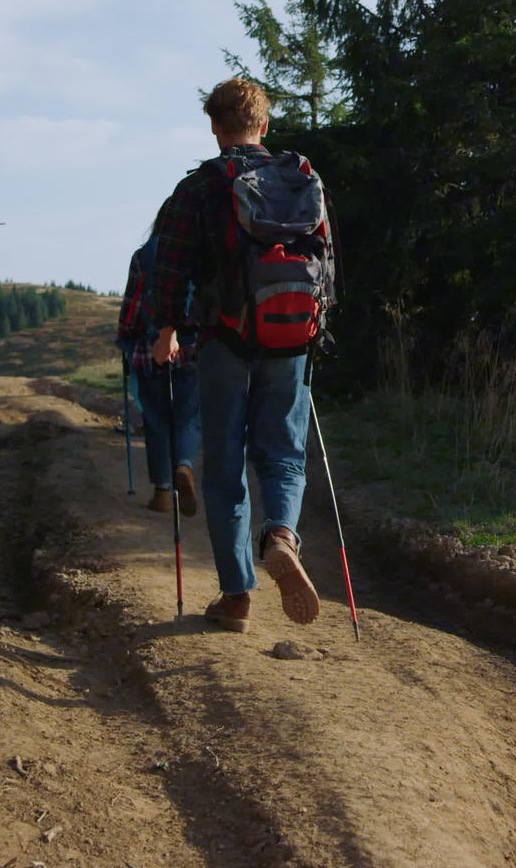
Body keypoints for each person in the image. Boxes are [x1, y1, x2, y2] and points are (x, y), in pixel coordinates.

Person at [147, 78, 334, 631]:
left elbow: (170, 265)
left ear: (214, 127)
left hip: (223, 338)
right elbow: (327, 259)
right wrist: (316, 329)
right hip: (292, 336)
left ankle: (236, 598)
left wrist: (165, 329)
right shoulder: (303, 177)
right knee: (284, 452)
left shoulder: (200, 188)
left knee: (226, 465)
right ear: (265, 125)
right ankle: (281, 535)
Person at [115, 234, 199, 515]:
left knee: (156, 419)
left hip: (150, 349)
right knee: (187, 417)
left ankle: (163, 492)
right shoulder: (202, 250)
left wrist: (126, 338)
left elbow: (133, 306)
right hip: (192, 349)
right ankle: (184, 464)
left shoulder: (144, 256)